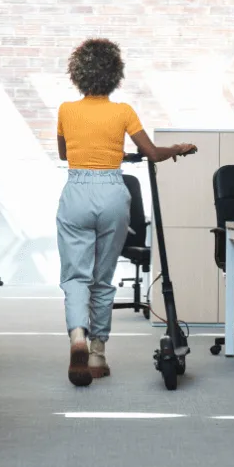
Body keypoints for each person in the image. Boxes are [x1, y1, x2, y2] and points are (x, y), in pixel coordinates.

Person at [56, 38, 196, 387]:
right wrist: (177, 148)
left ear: (79, 73)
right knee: (102, 279)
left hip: (77, 191)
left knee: (76, 276)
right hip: (113, 193)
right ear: (114, 74)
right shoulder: (123, 111)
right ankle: (98, 352)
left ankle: (77, 337)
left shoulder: (66, 110)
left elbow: (65, 154)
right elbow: (150, 152)